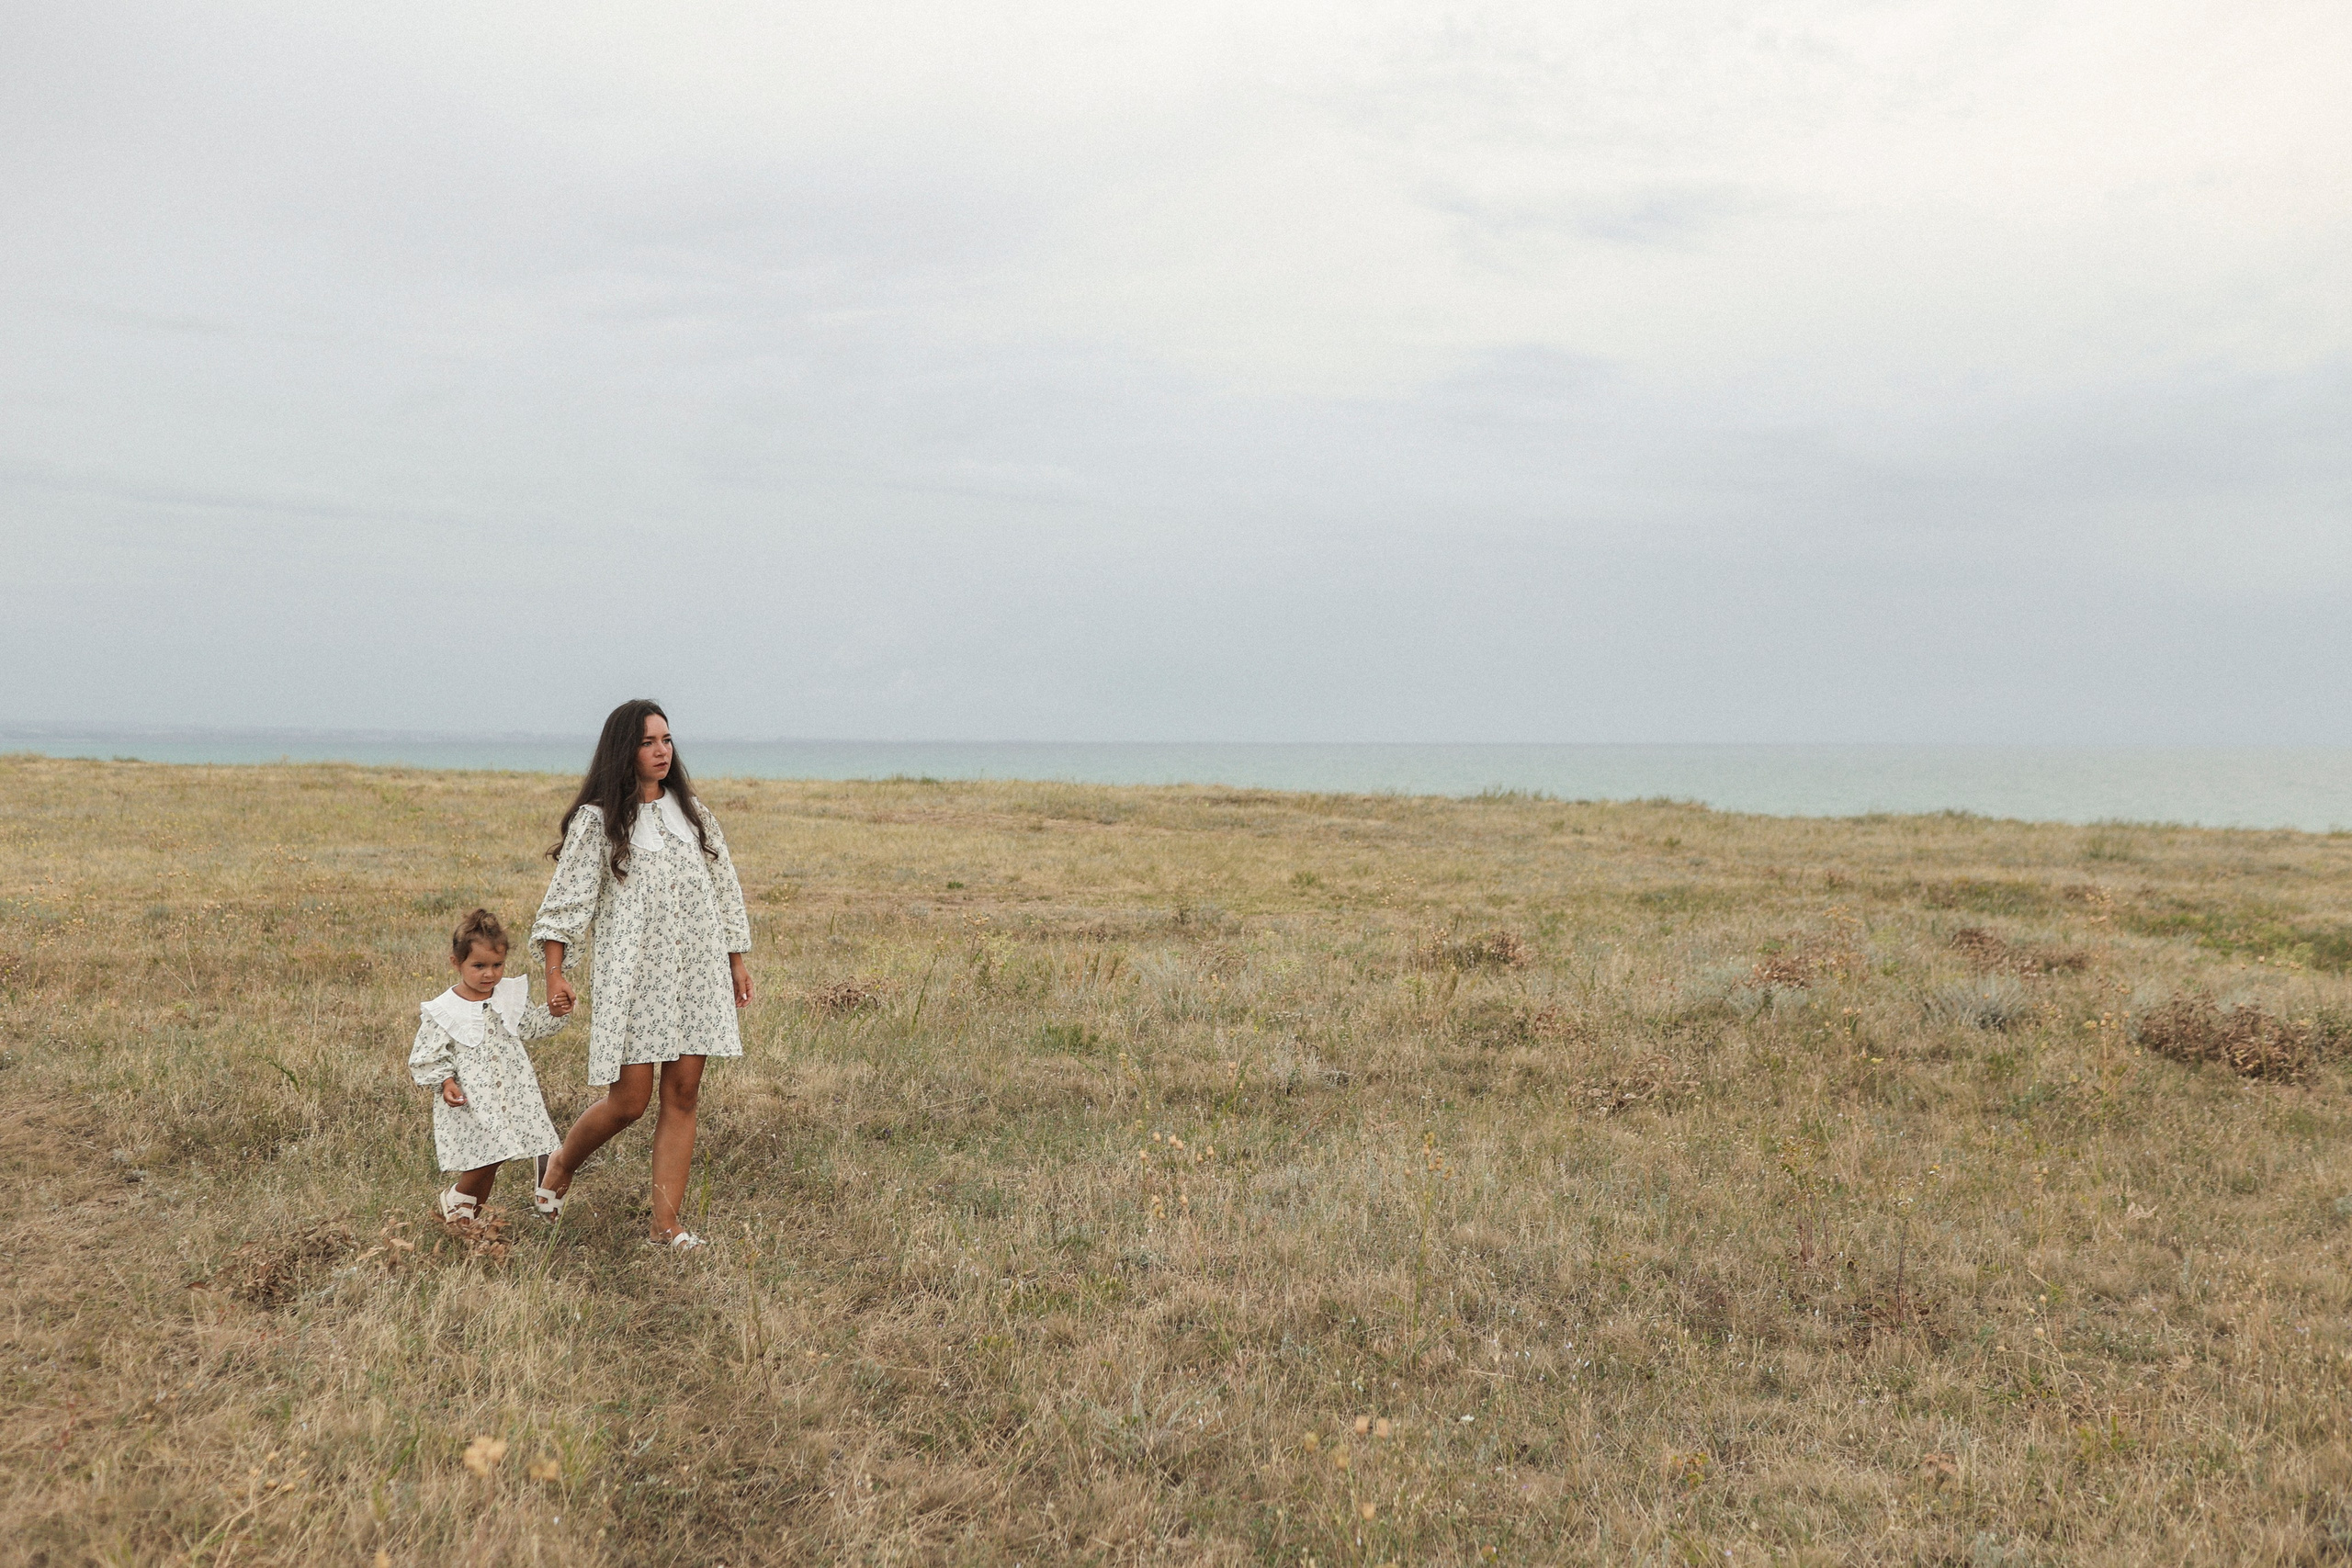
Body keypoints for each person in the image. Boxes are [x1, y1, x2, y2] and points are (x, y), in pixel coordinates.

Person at [531, 699, 752, 1249]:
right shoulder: (598, 821)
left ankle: (666, 1226)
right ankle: (559, 1162)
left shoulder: (693, 813)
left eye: (667, 740)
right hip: (634, 976)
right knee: (630, 1099)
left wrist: (736, 960)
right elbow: (566, 904)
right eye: (649, 741)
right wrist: (556, 973)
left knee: (684, 1092)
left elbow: (724, 890)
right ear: (624, 749)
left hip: (696, 971)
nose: (661, 751)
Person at [408, 908, 571, 1224]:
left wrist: (555, 1011)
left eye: (497, 965)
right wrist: (445, 1082)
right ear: (456, 963)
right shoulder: (445, 1009)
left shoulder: (508, 996)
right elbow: (427, 1054)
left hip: (511, 1089)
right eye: (479, 966)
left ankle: (470, 1216)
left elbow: (531, 1027)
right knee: (484, 1155)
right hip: (471, 1098)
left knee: (496, 1156)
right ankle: (457, 1199)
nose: (489, 975)